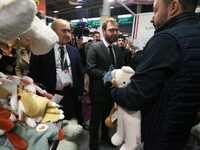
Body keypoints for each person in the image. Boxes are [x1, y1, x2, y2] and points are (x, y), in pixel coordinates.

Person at [106, 0, 200, 150]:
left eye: (155, 11)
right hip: (179, 132)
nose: (151, 18)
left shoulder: (166, 39)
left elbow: (135, 96)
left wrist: (113, 88)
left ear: (173, 7)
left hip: (157, 134)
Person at [28, 19, 84, 127]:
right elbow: (33, 74)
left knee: (67, 122)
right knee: (51, 124)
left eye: (69, 31)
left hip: (70, 94)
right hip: (50, 95)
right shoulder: (41, 50)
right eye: (64, 31)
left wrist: (79, 92)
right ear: (53, 31)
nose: (68, 34)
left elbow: (79, 72)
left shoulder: (74, 51)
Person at [86, 18, 123, 150]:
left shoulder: (118, 49)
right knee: (95, 119)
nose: (114, 32)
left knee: (109, 116)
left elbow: (121, 68)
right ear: (103, 31)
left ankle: (105, 136)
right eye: (111, 30)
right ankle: (93, 143)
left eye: (116, 30)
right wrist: (109, 75)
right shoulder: (94, 47)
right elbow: (90, 69)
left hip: (113, 92)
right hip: (98, 91)